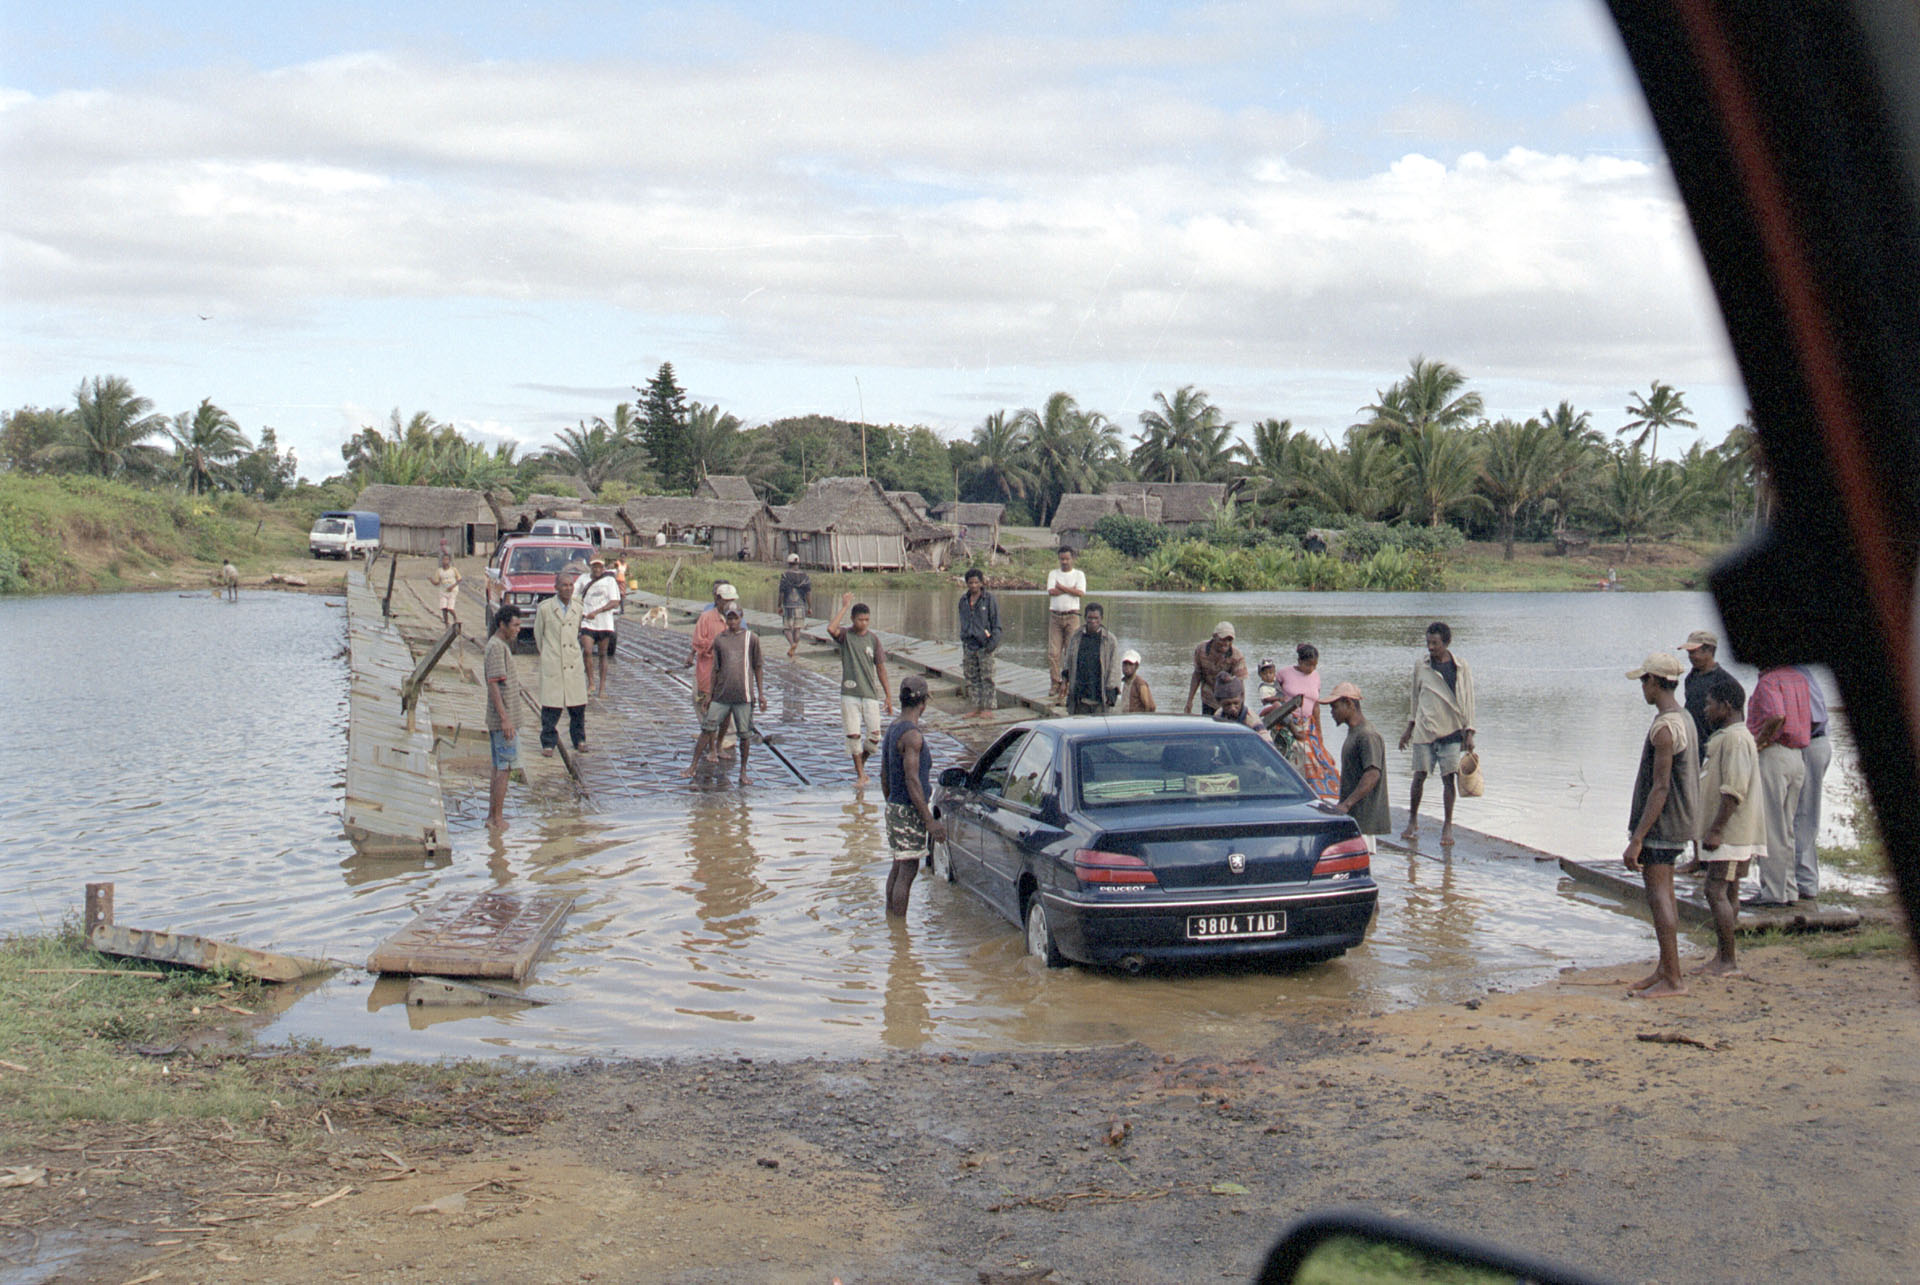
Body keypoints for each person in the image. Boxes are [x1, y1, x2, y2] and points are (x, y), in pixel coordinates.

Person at [1622, 651, 1698, 999]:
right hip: (1678, 820)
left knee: (1658, 896)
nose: (1642, 687)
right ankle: (1666, 968)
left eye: (1644, 681)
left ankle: (1674, 980)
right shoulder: (1683, 717)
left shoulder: (1665, 728)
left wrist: (1637, 837)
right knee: (1665, 893)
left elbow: (1661, 786)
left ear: (1655, 682)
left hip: (1662, 824)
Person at [1690, 672, 1762, 976]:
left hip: (1731, 833)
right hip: (1730, 832)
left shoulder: (1735, 738)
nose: (1705, 710)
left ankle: (1727, 960)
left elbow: (1734, 788)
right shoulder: (1729, 736)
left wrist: (1717, 829)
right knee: (1728, 891)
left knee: (1714, 889)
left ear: (1727, 705)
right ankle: (1724, 955)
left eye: (1709, 705)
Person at [1399, 621, 1476, 847]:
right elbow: (1415, 697)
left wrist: (1469, 731)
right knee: (1419, 775)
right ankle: (1412, 820)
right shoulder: (1421, 666)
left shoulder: (1460, 667)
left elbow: (1468, 700)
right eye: (1428, 643)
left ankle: (1448, 824)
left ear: (1446, 643)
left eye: (1435, 643)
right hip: (1425, 727)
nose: (1430, 648)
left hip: (1451, 730)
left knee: (1448, 779)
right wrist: (1409, 728)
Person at [1746, 664, 1812, 908]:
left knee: (1771, 826)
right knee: (1786, 826)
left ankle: (1772, 892)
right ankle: (1788, 888)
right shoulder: (1799, 678)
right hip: (1797, 756)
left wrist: (1759, 742)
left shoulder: (1769, 681)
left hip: (1775, 754)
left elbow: (1777, 715)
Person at [880, 676, 945, 917]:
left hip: (895, 807)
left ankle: (892, 926)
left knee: (898, 867)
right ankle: (900, 940)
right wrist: (928, 820)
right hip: (909, 810)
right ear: (923, 704)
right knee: (907, 872)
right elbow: (913, 780)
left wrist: (891, 804)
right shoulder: (913, 736)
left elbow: (884, 776)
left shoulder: (893, 728)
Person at [683, 606, 765, 784]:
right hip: (721, 695)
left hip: (743, 696)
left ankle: (743, 772)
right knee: (707, 728)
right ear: (726, 620)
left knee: (744, 735)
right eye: (730, 619)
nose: (733, 622)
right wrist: (709, 695)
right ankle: (693, 766)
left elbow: (758, 666)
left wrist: (761, 694)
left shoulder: (751, 639)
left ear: (741, 619)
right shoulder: (720, 640)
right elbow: (715, 669)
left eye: (736, 619)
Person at [828, 592, 893, 784]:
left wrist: (888, 696)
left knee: (874, 737)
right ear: (853, 620)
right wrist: (845, 606)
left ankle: (861, 764)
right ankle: (860, 774)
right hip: (849, 693)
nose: (863, 623)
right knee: (853, 735)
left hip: (869, 694)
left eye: (866, 620)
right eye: (860, 620)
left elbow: (881, 668)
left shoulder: (873, 640)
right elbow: (831, 628)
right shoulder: (846, 636)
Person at [534, 566, 589, 757]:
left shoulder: (578, 607)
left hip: (573, 662)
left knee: (577, 707)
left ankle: (579, 740)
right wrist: (549, 655)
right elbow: (539, 637)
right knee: (551, 707)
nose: (568, 588)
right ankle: (548, 743)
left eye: (571, 585)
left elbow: (578, 633)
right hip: (554, 661)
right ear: (556, 587)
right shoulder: (545, 609)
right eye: (564, 585)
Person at [1328, 682, 1388, 853]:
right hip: (1355, 819)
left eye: (1335, 707)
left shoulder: (1367, 735)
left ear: (1349, 704)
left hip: (1363, 821)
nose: (1332, 712)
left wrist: (1346, 804)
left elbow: (1373, 774)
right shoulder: (1354, 733)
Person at [1278, 643, 1340, 801]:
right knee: (1295, 756)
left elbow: (1316, 705)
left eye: (1314, 665)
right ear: (1299, 661)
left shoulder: (1316, 676)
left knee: (1319, 758)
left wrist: (1319, 732)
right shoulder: (1284, 673)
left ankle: (1318, 795)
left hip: (1308, 724)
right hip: (1287, 722)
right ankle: (1292, 793)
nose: (1311, 668)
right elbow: (1274, 698)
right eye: (1307, 664)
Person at [483, 605, 525, 831]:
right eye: (515, 625)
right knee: (504, 769)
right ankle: (496, 818)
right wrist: (505, 719)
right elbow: (494, 684)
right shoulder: (497, 648)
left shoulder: (498, 646)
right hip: (503, 721)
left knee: (499, 766)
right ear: (503, 625)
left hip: (502, 719)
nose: (519, 629)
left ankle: (493, 816)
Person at [1793, 664, 1832, 905]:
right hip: (1812, 743)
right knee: (1800, 814)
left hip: (1812, 744)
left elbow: (1815, 718)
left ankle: (1806, 883)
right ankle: (1801, 879)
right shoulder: (1798, 673)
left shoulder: (1798, 675)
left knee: (1805, 815)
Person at [686, 581, 736, 732]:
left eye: (731, 601)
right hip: (708, 670)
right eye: (726, 601)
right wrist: (716, 644)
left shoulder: (736, 619)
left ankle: (724, 740)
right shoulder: (706, 618)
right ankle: (710, 740)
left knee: (727, 709)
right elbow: (698, 642)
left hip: (728, 672)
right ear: (718, 600)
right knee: (706, 706)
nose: (729, 604)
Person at [1044, 547, 1087, 703]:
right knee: (1053, 652)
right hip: (1055, 616)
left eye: (1067, 559)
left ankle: (1068, 684)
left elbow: (1081, 593)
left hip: (1072, 616)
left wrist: (1061, 587)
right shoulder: (1053, 574)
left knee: (1071, 652)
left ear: (1072, 558)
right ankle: (1055, 683)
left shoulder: (1079, 574)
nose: (1064, 562)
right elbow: (1051, 591)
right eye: (1061, 559)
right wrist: (1070, 590)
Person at [1059, 603, 1118, 715]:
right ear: (1085, 618)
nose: (1092, 621)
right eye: (1090, 618)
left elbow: (1114, 668)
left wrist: (1111, 692)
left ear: (1102, 619)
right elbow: (1068, 661)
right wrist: (1064, 681)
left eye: (1096, 618)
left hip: (1099, 695)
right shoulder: (1076, 637)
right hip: (1079, 696)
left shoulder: (1109, 640)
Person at [957, 568, 1000, 719]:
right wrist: (964, 637)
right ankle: (976, 707)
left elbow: (996, 624)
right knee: (971, 677)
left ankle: (988, 708)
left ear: (982, 583)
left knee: (987, 677)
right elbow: (963, 621)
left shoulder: (989, 599)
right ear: (967, 584)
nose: (974, 585)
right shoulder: (963, 601)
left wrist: (992, 643)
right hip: (969, 644)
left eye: (976, 582)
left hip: (985, 645)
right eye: (970, 583)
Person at [1679, 629, 1726, 762]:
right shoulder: (1691, 678)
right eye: (1689, 653)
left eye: (1694, 652)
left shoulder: (1723, 680)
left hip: (1713, 748)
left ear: (1709, 651)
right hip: (1691, 745)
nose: (1690, 656)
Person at [1184, 622, 1248, 716]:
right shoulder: (1201, 650)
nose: (1226, 643)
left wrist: (1240, 709)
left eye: (1229, 640)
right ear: (1214, 636)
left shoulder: (1237, 656)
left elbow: (1240, 685)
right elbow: (1197, 675)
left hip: (1228, 702)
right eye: (1222, 639)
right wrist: (1189, 701)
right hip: (1208, 698)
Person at [579, 558, 621, 699]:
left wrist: (597, 611)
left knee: (603, 654)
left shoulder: (609, 581)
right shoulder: (583, 579)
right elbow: (574, 595)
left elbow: (615, 601)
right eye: (594, 567)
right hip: (587, 622)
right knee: (588, 651)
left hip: (604, 623)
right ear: (590, 567)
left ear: (603, 568)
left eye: (599, 567)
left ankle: (602, 687)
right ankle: (591, 683)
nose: (597, 569)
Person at [778, 553, 812, 658]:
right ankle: (795, 645)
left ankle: (792, 644)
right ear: (798, 563)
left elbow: (781, 592)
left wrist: (779, 605)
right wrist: (810, 607)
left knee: (787, 629)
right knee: (797, 629)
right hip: (801, 605)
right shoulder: (805, 576)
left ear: (789, 563)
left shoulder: (785, 575)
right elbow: (808, 593)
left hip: (788, 605)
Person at [432, 553, 462, 627]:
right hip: (443, 591)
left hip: (453, 591)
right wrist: (431, 580)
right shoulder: (439, 571)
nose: (445, 561)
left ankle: (455, 617)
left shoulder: (453, 570)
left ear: (449, 561)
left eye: (447, 560)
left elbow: (459, 579)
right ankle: (446, 623)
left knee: (450, 608)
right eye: (443, 560)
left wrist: (452, 586)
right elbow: (437, 582)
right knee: (444, 608)